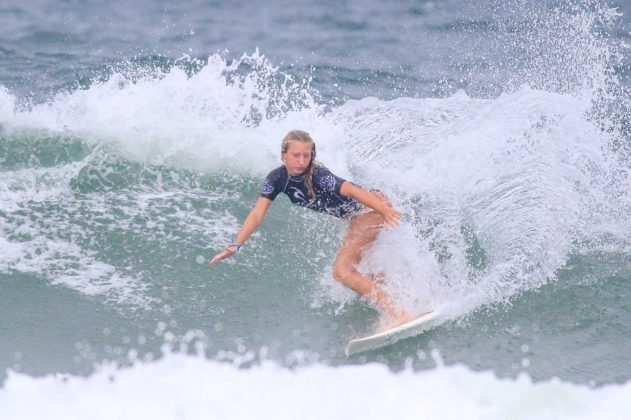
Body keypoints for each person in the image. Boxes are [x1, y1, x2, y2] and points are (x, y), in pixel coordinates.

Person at [210, 129, 413, 329]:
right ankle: (404, 300)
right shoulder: (276, 179)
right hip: (360, 215)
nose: (301, 161)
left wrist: (384, 210)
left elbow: (351, 189)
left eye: (306, 155)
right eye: (296, 155)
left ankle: (398, 313)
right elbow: (257, 214)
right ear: (284, 155)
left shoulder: (318, 174)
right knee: (361, 267)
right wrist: (236, 245)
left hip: (370, 208)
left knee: (342, 271)